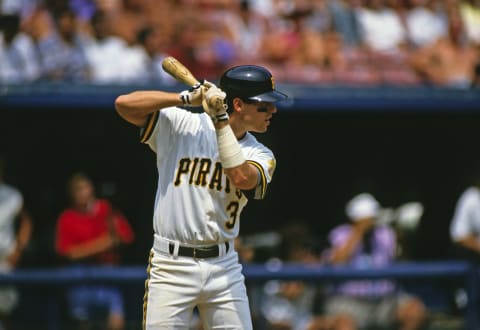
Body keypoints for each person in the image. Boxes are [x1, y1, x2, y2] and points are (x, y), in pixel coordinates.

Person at [115, 63, 288, 329]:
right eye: (264, 105)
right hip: (171, 264)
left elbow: (241, 177)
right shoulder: (183, 123)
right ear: (239, 105)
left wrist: (220, 121)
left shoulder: (261, 154)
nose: (272, 110)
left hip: (224, 266)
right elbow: (124, 105)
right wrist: (185, 98)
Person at [322, 193, 427, 330]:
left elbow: (400, 258)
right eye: (367, 218)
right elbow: (336, 262)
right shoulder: (340, 234)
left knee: (415, 311)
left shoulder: (385, 234)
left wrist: (402, 234)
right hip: (349, 302)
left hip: (385, 300)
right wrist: (358, 232)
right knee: (343, 326)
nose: (370, 222)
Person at [55, 173, 134, 330]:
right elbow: (68, 253)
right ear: (72, 194)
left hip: (107, 273)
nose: (82, 193)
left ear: (91, 189)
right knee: (82, 323)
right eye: (77, 190)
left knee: (116, 320)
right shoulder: (67, 217)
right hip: (81, 276)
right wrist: (102, 244)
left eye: (84, 188)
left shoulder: (106, 209)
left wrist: (111, 239)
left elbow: (126, 237)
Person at [0, 157, 33, 330]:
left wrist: (19, 249)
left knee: (5, 312)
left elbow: (26, 221)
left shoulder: (12, 195)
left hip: (5, 262)